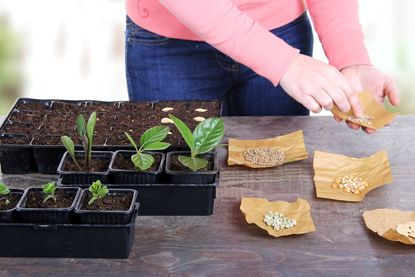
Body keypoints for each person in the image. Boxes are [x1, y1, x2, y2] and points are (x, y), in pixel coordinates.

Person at [125, 0, 399, 134]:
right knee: (176, 190)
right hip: (169, 46)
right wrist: (283, 63)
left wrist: (350, 56)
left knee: (279, 185)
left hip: (282, 35)